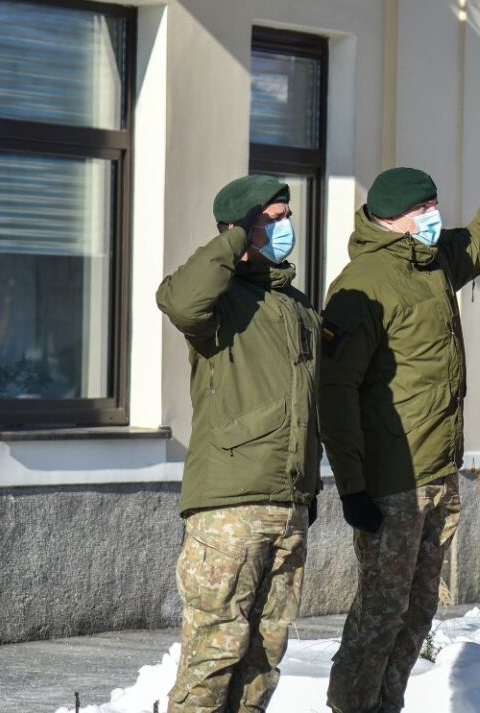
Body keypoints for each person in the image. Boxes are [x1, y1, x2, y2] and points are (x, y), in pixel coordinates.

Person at [320, 115, 480, 713]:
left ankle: (385, 705)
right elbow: (334, 394)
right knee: (380, 611)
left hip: (437, 475)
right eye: (424, 208)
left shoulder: (434, 262)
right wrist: (353, 487)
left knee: (418, 609)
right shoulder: (363, 286)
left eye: (435, 205)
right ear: (392, 219)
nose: (434, 216)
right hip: (391, 485)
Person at [155, 175, 321, 713]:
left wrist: (310, 490)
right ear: (240, 229)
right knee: (214, 654)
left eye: (285, 216)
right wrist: (235, 240)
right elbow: (179, 301)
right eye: (269, 220)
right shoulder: (221, 302)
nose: (284, 227)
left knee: (263, 660)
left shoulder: (294, 305)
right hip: (229, 507)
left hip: (288, 502)